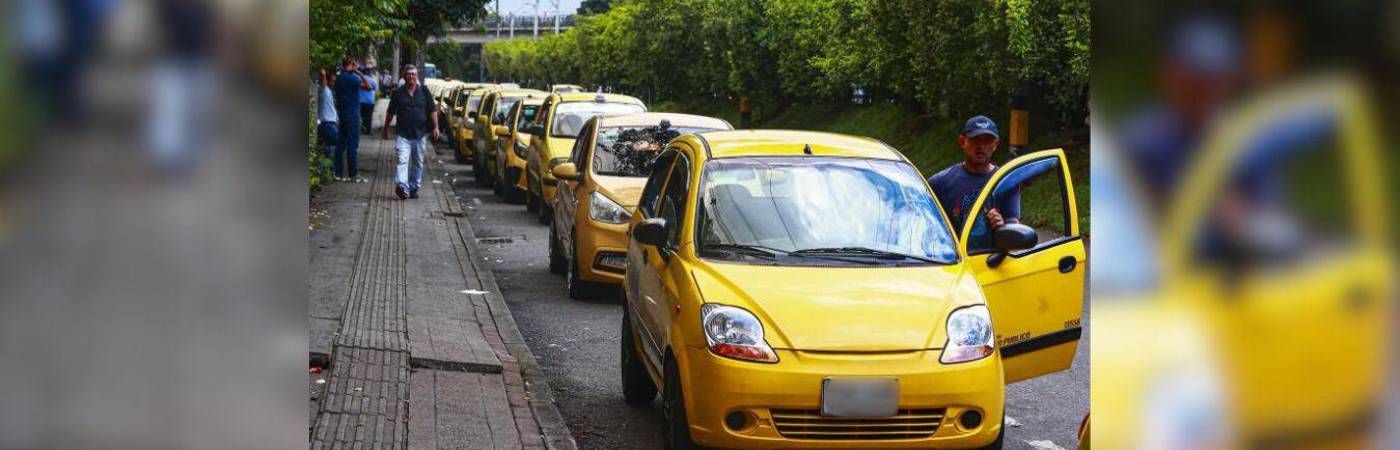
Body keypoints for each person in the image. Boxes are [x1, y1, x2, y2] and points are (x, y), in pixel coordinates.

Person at [927, 115, 1020, 248]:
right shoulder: (940, 183)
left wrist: (1002, 226)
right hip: (953, 263)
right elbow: (925, 227)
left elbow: (1015, 232)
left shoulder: (1006, 182)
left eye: (987, 141)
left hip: (992, 262)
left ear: (995, 145)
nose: (981, 146)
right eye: (975, 139)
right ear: (962, 142)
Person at [382, 64, 440, 200]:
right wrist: (385, 128)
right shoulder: (397, 93)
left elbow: (432, 110)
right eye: (409, 74)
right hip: (403, 134)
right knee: (402, 160)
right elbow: (390, 112)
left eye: (413, 74)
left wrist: (436, 127)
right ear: (404, 77)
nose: (411, 77)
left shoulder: (424, 91)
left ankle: (413, 188)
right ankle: (402, 186)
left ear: (417, 76)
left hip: (420, 134)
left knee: (418, 162)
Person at [334, 57, 373, 182]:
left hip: (343, 114)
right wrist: (358, 72)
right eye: (354, 65)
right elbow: (368, 86)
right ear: (351, 65)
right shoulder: (351, 78)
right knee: (352, 144)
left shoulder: (340, 78)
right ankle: (353, 174)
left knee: (341, 144)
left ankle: (338, 173)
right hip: (352, 115)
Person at [316, 69, 339, 160]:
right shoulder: (324, 90)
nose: (334, 83)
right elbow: (324, 84)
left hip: (330, 123)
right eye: (332, 81)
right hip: (327, 123)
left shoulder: (329, 91)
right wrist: (324, 74)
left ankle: (329, 169)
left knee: (328, 147)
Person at [359, 64, 378, 135]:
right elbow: (375, 89)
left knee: (361, 116)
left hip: (361, 101)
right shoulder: (372, 81)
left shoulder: (359, 79)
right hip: (370, 101)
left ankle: (360, 130)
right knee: (369, 117)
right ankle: (368, 131)